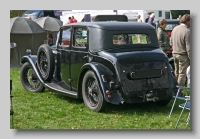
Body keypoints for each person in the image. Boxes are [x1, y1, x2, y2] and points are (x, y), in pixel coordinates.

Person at [171, 14, 190, 86]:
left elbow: (171, 42)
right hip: (183, 55)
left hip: (175, 53)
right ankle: (179, 90)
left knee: (177, 72)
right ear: (187, 21)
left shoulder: (175, 29)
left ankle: (174, 88)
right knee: (182, 73)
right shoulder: (187, 31)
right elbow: (189, 47)